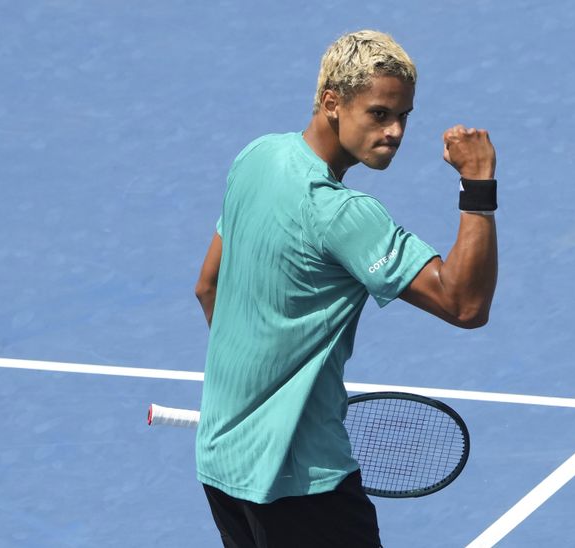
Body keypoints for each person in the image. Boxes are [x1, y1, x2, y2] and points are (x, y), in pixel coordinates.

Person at [193, 29, 498, 548]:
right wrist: (478, 184)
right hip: (304, 486)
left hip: (223, 466)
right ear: (332, 102)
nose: (396, 131)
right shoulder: (345, 215)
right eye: (379, 114)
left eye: (404, 115)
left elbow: (208, 286)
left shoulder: (257, 158)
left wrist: (253, 393)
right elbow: (464, 303)